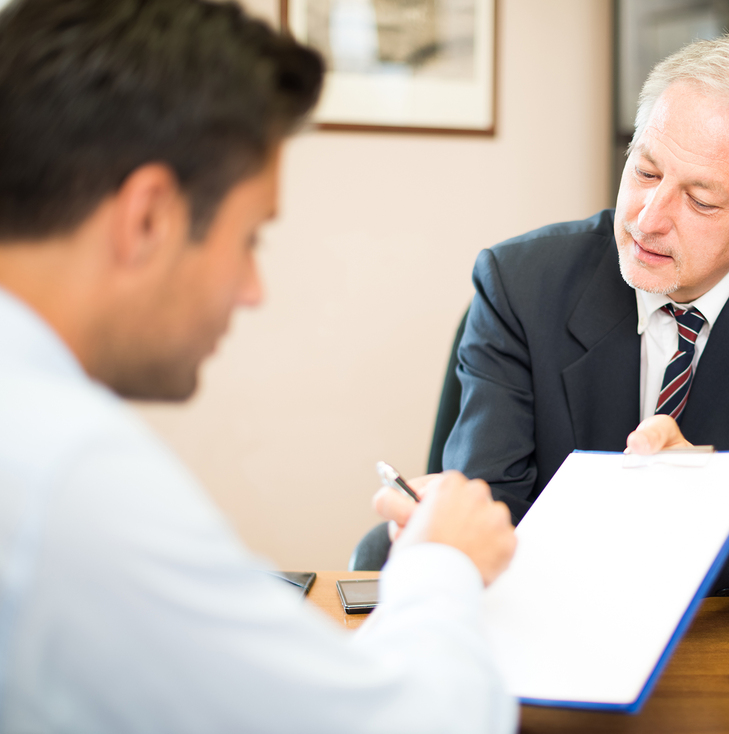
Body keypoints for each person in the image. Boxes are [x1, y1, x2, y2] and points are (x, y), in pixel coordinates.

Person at [0, 1, 517, 731]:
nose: (254, 290)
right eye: (250, 238)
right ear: (148, 218)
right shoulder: (72, 477)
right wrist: (444, 561)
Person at [361, 34, 729, 609]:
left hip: (709, 635)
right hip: (549, 614)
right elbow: (487, 515)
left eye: (701, 200)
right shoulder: (520, 284)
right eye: (646, 172)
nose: (648, 220)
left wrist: (700, 494)